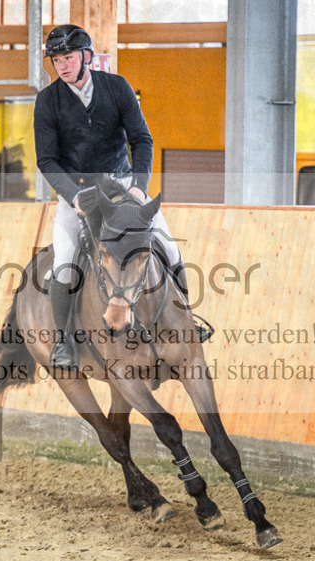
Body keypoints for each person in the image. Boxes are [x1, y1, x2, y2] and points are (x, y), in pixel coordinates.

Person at [33, 24, 208, 370]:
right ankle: (64, 341)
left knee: (170, 247)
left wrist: (139, 187)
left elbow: (142, 140)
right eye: (56, 60)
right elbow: (46, 160)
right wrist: (72, 196)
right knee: (64, 263)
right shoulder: (47, 101)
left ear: (86, 57)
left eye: (67, 58)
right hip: (80, 192)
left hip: (124, 187)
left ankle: (187, 321)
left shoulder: (117, 88)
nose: (62, 66)